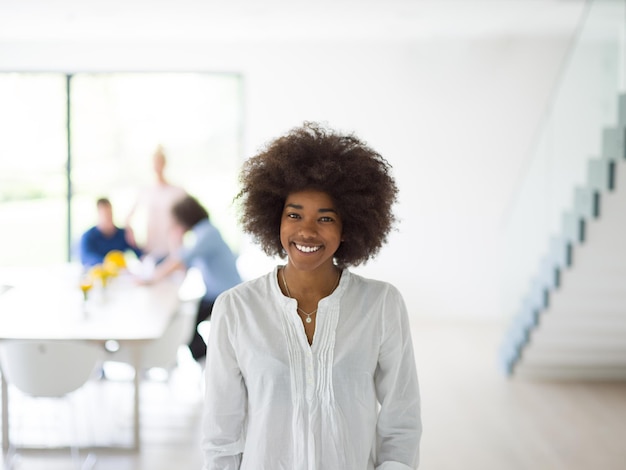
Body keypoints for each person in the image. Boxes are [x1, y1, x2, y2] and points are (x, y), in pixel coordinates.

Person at [202, 122, 422, 469]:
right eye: (294, 215)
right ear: (274, 219)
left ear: (348, 226)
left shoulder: (381, 305)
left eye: (325, 218)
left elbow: (401, 422)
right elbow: (219, 433)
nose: (306, 230)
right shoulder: (236, 308)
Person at [138, 194, 242, 361]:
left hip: (226, 294)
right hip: (215, 293)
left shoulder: (207, 233)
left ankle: (209, 362)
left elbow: (179, 260)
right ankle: (207, 362)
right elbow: (182, 268)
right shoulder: (202, 233)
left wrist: (151, 279)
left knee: (187, 328)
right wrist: (174, 240)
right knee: (188, 325)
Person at [125, 145, 187, 263]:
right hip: (151, 249)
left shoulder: (177, 191)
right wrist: (131, 233)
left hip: (173, 251)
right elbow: (128, 218)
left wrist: (180, 231)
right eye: (155, 163)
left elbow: (189, 219)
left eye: (160, 162)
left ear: (165, 164)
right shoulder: (145, 191)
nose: (157, 166)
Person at [79, 197, 143, 267]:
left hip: (120, 275)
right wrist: (109, 263)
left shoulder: (121, 234)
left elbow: (141, 256)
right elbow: (86, 258)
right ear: (98, 215)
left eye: (110, 214)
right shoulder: (88, 236)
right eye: (105, 215)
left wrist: (133, 243)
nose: (108, 218)